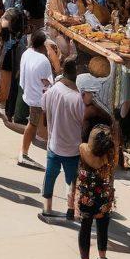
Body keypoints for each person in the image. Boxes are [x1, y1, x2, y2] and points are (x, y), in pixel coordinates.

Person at [40, 59, 88, 222]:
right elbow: (84, 123)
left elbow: (44, 109)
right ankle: (70, 210)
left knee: (50, 177)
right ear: (77, 74)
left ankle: (47, 208)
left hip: (54, 145)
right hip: (73, 148)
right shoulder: (78, 99)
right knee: (72, 180)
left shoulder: (52, 90)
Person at [75, 125, 120, 259]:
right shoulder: (110, 156)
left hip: (86, 197)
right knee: (102, 227)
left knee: (85, 229)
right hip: (104, 196)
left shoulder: (83, 150)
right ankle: (102, 257)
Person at [18, 30, 53, 169]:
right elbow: (47, 82)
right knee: (33, 124)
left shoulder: (26, 53)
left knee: (33, 124)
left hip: (29, 92)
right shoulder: (43, 60)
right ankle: (23, 153)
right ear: (43, 44)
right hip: (38, 98)